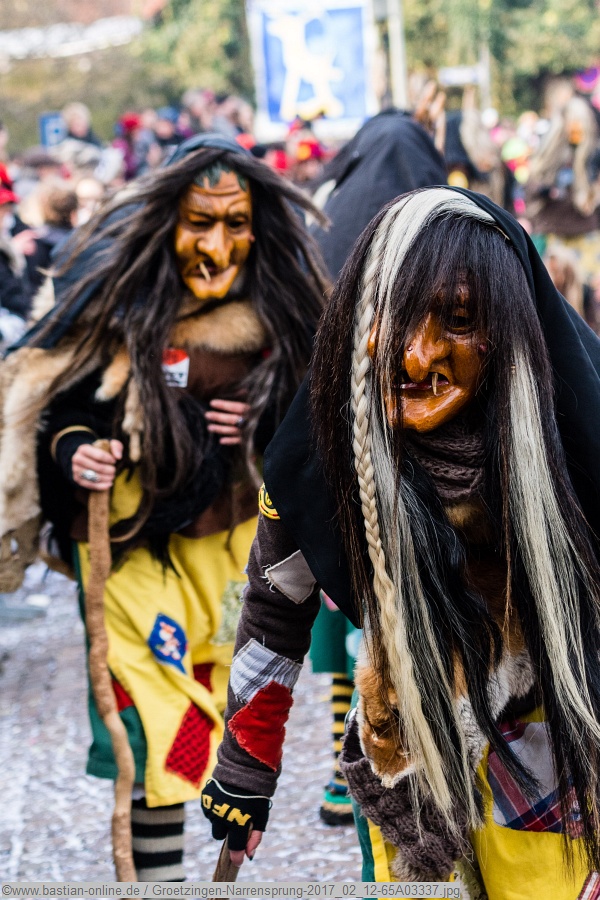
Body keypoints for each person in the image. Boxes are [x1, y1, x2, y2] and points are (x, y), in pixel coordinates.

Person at [202, 186, 600, 897]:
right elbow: (274, 602)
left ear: (508, 329)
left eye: (459, 320)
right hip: (408, 771)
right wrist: (246, 766)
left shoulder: (579, 445)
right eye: (395, 316)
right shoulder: (322, 455)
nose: (418, 357)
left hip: (552, 774)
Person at [0, 133, 327, 880]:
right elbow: (62, 407)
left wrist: (263, 422)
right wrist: (76, 452)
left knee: (226, 723)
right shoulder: (118, 309)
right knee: (153, 724)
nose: (216, 246)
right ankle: (160, 887)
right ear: (167, 224)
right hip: (131, 554)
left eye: (235, 223)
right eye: (198, 222)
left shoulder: (285, 315)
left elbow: (318, 429)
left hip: (234, 554)